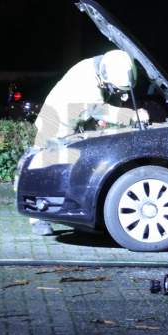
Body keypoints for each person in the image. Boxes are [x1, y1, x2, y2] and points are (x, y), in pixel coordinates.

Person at [30, 49, 149, 236]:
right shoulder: (86, 79)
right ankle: (37, 219)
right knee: (46, 170)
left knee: (78, 171)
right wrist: (132, 116)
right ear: (105, 75)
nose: (116, 92)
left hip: (73, 122)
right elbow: (98, 109)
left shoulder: (101, 69)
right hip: (54, 122)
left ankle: (77, 217)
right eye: (114, 88)